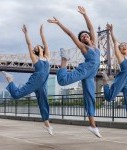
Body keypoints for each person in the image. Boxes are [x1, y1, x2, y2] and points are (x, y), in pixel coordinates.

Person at [47, 6, 102, 138]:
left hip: (91, 75)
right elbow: (71, 34)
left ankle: (93, 126)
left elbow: (91, 28)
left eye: (86, 35)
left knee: (90, 98)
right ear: (82, 41)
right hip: (85, 70)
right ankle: (65, 59)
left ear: (90, 38)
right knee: (62, 80)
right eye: (82, 36)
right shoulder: (84, 47)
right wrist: (59, 23)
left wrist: (85, 14)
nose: (85, 36)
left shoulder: (95, 45)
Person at [2, 25, 53, 135]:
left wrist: (42, 33)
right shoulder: (36, 59)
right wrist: (26, 34)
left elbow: (46, 44)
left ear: (42, 49)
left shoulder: (47, 57)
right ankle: (10, 80)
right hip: (35, 81)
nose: (35, 48)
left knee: (44, 103)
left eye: (37, 47)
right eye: (35, 48)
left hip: (43, 83)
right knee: (16, 95)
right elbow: (29, 44)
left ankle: (47, 124)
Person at [102, 24, 127, 132]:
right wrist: (111, 32)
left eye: (124, 44)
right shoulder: (120, 57)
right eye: (121, 46)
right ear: (120, 50)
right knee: (109, 98)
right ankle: (105, 82)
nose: (123, 45)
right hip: (120, 80)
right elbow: (115, 43)